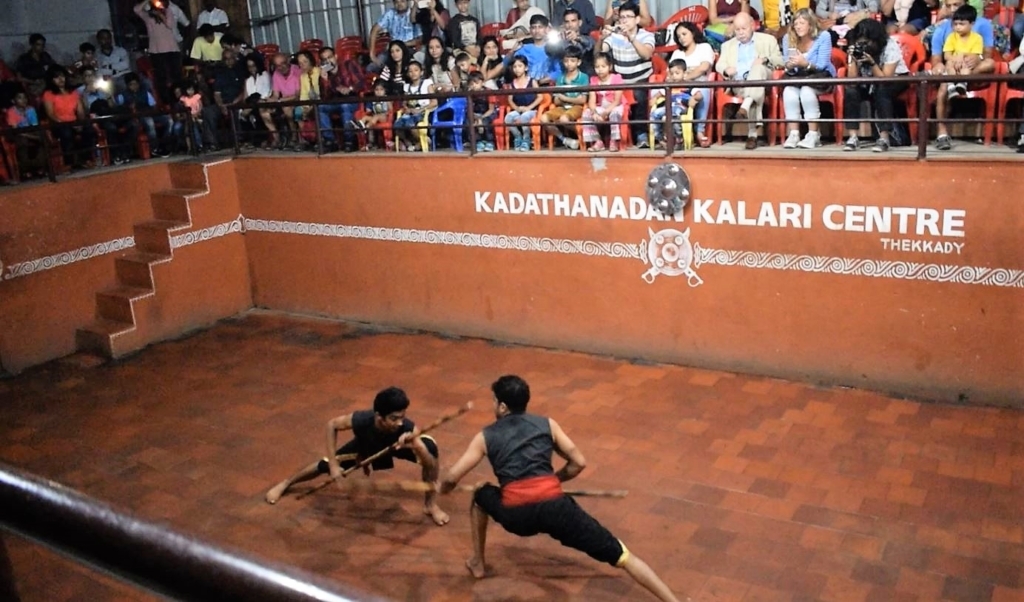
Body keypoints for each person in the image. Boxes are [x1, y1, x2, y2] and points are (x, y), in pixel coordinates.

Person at [439, 375, 682, 602]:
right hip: (557, 509)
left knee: (481, 494)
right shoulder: (547, 425)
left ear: (502, 407)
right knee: (623, 555)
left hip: (517, 515)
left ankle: (478, 563)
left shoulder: (486, 436)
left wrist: (444, 488)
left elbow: (452, 477)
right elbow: (579, 463)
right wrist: (554, 480)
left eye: (493, 401)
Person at [264, 387, 450, 526]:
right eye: (394, 418)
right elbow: (331, 425)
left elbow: (430, 463)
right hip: (367, 445)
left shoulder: (407, 428)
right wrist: (335, 466)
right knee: (325, 465)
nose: (399, 422)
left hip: (399, 446)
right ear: (379, 416)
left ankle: (430, 505)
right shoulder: (362, 420)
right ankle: (287, 483)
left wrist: (416, 445)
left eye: (402, 416)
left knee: (430, 448)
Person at [930, 0, 995, 150]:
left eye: (956, 5)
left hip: (974, 72)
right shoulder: (942, 29)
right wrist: (942, 63)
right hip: (952, 69)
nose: (952, 9)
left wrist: (975, 58)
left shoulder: (983, 25)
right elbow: (938, 58)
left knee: (990, 63)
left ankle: (961, 81)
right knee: (943, 87)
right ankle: (941, 133)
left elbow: (987, 54)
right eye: (948, 5)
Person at [714, 12, 784, 150]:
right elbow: (719, 65)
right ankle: (752, 133)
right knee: (753, 92)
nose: (740, 33)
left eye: (743, 28)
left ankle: (748, 116)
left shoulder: (768, 40)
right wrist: (726, 69)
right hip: (741, 83)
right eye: (737, 29)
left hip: (764, 81)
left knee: (757, 68)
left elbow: (780, 61)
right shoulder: (727, 46)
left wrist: (764, 59)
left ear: (752, 26)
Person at [841, 18, 909, 152]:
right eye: (860, 42)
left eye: (866, 42)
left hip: (894, 79)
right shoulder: (856, 47)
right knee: (851, 91)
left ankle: (884, 138)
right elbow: (852, 80)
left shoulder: (890, 45)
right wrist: (852, 59)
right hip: (868, 80)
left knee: (881, 90)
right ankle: (853, 137)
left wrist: (872, 63)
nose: (863, 45)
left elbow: (885, 79)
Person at [595, 2, 656, 147]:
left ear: (637, 19)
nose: (624, 21)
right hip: (619, 82)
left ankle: (641, 134)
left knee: (639, 94)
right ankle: (609, 138)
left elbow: (646, 54)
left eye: (629, 17)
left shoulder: (646, 35)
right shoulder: (614, 36)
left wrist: (631, 38)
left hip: (641, 79)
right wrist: (601, 38)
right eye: (622, 17)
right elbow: (598, 54)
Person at [780, 8, 835, 149]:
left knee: (806, 91)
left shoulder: (824, 36)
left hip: (820, 75)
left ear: (810, 24)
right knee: (788, 91)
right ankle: (794, 134)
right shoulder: (788, 38)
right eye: (796, 23)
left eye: (802, 23)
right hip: (799, 75)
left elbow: (822, 65)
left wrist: (805, 64)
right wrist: (790, 65)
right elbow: (787, 63)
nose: (797, 26)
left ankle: (813, 134)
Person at [134, 0, 191, 105]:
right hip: (156, 51)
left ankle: (180, 98)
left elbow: (170, 25)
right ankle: (166, 101)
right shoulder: (147, 17)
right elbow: (136, 9)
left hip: (172, 49)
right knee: (161, 77)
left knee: (176, 76)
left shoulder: (168, 12)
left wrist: (161, 13)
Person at [42, 66, 97, 169]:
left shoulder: (73, 92)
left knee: (88, 129)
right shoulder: (48, 94)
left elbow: (80, 112)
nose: (61, 79)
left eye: (62, 76)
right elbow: (50, 114)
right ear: (51, 79)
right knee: (66, 133)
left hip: (74, 122)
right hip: (58, 123)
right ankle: (68, 163)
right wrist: (64, 123)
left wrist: (79, 123)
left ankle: (87, 159)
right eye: (56, 77)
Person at [669, 22, 715, 147]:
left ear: (693, 33)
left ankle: (700, 131)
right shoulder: (677, 53)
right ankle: (673, 135)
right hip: (679, 87)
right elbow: (671, 73)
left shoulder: (704, 47)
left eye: (684, 34)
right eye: (679, 36)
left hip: (699, 83)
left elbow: (704, 67)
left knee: (702, 90)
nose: (681, 38)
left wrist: (687, 76)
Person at [540, 45, 588, 150]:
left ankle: (584, 136)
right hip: (562, 108)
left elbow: (582, 100)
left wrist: (565, 98)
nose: (569, 63)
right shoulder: (560, 78)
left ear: (578, 62)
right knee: (543, 118)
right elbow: (556, 101)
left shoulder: (584, 77)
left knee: (564, 119)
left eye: (572, 60)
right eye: (566, 61)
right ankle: (565, 140)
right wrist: (563, 99)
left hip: (577, 107)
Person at [320, 46, 367, 152]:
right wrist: (325, 81)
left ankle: (349, 141)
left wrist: (349, 89)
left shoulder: (349, 64)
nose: (328, 61)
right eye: (324, 59)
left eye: (330, 57)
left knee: (345, 106)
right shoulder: (324, 74)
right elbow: (325, 97)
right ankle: (330, 141)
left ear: (336, 57)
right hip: (335, 101)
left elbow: (362, 83)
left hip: (353, 99)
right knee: (321, 107)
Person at [117, 72, 174, 157]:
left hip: (149, 113)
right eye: (131, 84)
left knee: (169, 120)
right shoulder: (122, 95)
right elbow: (120, 109)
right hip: (137, 117)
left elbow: (153, 105)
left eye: (136, 84)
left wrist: (152, 111)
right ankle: (154, 148)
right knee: (149, 122)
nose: (134, 86)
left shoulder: (145, 92)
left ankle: (164, 144)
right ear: (127, 85)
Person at [650, 59, 701, 150]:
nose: (674, 76)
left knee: (672, 114)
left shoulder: (689, 86)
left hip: (681, 108)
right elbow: (659, 93)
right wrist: (654, 98)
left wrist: (694, 98)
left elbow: (699, 95)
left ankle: (679, 139)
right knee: (655, 114)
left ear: (684, 74)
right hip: (668, 107)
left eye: (677, 73)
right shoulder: (669, 86)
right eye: (671, 74)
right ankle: (661, 139)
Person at [582, 52, 625, 152]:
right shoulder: (593, 80)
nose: (600, 69)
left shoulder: (616, 78)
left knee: (614, 113)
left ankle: (614, 141)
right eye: (597, 67)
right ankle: (598, 141)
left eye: (603, 66)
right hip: (601, 106)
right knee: (586, 114)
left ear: (610, 67)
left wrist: (605, 113)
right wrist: (595, 112)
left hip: (614, 106)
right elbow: (592, 101)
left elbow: (617, 101)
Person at [369, 0, 422, 72]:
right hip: (392, 50)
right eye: (397, 2)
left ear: (408, 2)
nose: (399, 4)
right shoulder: (390, 14)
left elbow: (420, 39)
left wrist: (401, 45)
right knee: (372, 67)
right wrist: (372, 54)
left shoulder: (414, 14)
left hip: (409, 49)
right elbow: (374, 30)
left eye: (402, 1)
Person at [393, 61, 436, 151]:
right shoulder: (407, 86)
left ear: (421, 72)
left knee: (410, 124)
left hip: (423, 112)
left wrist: (420, 110)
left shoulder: (427, 83)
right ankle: (409, 143)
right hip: (411, 113)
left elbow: (434, 102)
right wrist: (406, 108)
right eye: (410, 71)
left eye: (416, 70)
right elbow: (405, 102)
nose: (413, 73)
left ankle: (424, 141)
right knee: (397, 125)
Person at [503, 56, 542, 151]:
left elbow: (540, 97)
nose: (517, 69)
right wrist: (516, 108)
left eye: (520, 66)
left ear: (526, 68)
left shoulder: (532, 81)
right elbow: (510, 99)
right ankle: (518, 137)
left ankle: (526, 139)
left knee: (525, 116)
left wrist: (529, 108)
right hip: (519, 110)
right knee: (508, 118)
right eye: (515, 67)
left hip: (531, 111)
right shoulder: (513, 83)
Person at [14, 34, 56, 98]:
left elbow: (54, 68)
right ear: (32, 45)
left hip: (46, 82)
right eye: (38, 44)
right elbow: (19, 78)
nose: (41, 47)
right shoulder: (24, 59)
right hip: (31, 85)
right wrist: (33, 82)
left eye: (43, 45)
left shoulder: (45, 56)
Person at [466, 72, 497, 151]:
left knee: (485, 122)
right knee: (468, 122)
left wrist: (481, 118)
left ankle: (490, 142)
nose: (474, 86)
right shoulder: (470, 94)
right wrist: (475, 117)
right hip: (476, 113)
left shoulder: (489, 92)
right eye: (471, 84)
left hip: (489, 113)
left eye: (476, 83)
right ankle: (478, 142)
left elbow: (491, 109)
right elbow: (469, 108)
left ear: (482, 82)